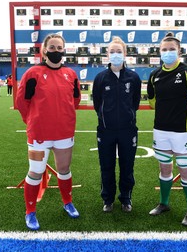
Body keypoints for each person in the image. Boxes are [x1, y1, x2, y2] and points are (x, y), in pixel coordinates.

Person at [16, 33, 81, 231]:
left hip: (64, 132)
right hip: (39, 135)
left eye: (59, 47)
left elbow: (75, 100)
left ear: (64, 50)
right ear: (44, 51)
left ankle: (67, 202)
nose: (55, 51)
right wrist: (35, 122)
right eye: (51, 47)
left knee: (64, 169)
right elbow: (21, 102)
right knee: (35, 172)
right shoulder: (32, 74)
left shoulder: (71, 74)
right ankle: (30, 212)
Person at [147, 32, 187, 226]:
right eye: (164, 50)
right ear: (159, 52)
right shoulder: (154, 75)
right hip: (161, 131)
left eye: (171, 49)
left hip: (183, 131)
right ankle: (164, 203)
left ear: (179, 51)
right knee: (164, 169)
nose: (168, 52)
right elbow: (152, 103)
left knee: (185, 172)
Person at [92, 36, 142, 213]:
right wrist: (106, 119)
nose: (115, 54)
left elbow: (135, 103)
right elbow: (97, 103)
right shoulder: (100, 78)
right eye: (112, 51)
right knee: (107, 166)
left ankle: (126, 198)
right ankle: (108, 199)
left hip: (128, 131)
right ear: (107, 54)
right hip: (106, 131)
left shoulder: (134, 78)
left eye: (118, 51)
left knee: (127, 166)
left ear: (125, 54)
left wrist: (127, 117)